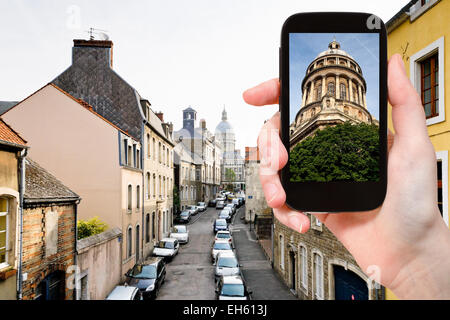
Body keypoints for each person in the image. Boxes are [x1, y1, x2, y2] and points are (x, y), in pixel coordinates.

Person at [242, 54, 450, 300]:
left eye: (336, 85)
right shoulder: (300, 127)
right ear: (312, 86)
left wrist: (421, 256)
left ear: (355, 86)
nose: (331, 90)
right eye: (328, 85)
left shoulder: (374, 130)